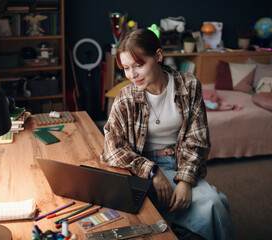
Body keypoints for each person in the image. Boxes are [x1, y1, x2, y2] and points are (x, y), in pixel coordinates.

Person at [100, 28, 234, 240]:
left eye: (138, 65)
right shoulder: (125, 97)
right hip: (140, 169)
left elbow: (198, 140)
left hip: (180, 162)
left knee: (215, 203)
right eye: (126, 68)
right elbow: (111, 148)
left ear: (158, 56)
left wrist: (185, 181)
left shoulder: (189, 85)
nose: (132, 75)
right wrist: (152, 171)